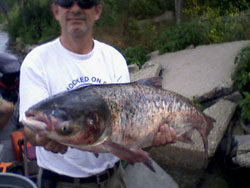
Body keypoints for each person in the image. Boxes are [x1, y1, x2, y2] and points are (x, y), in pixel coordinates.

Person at [19, 0, 177, 187]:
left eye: (85, 2)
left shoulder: (114, 58)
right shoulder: (36, 61)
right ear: (56, 10)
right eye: (67, 2)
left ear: (97, 11)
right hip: (60, 181)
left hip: (113, 178)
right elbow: (29, 124)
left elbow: (127, 127)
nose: (76, 8)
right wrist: (39, 137)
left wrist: (151, 135)